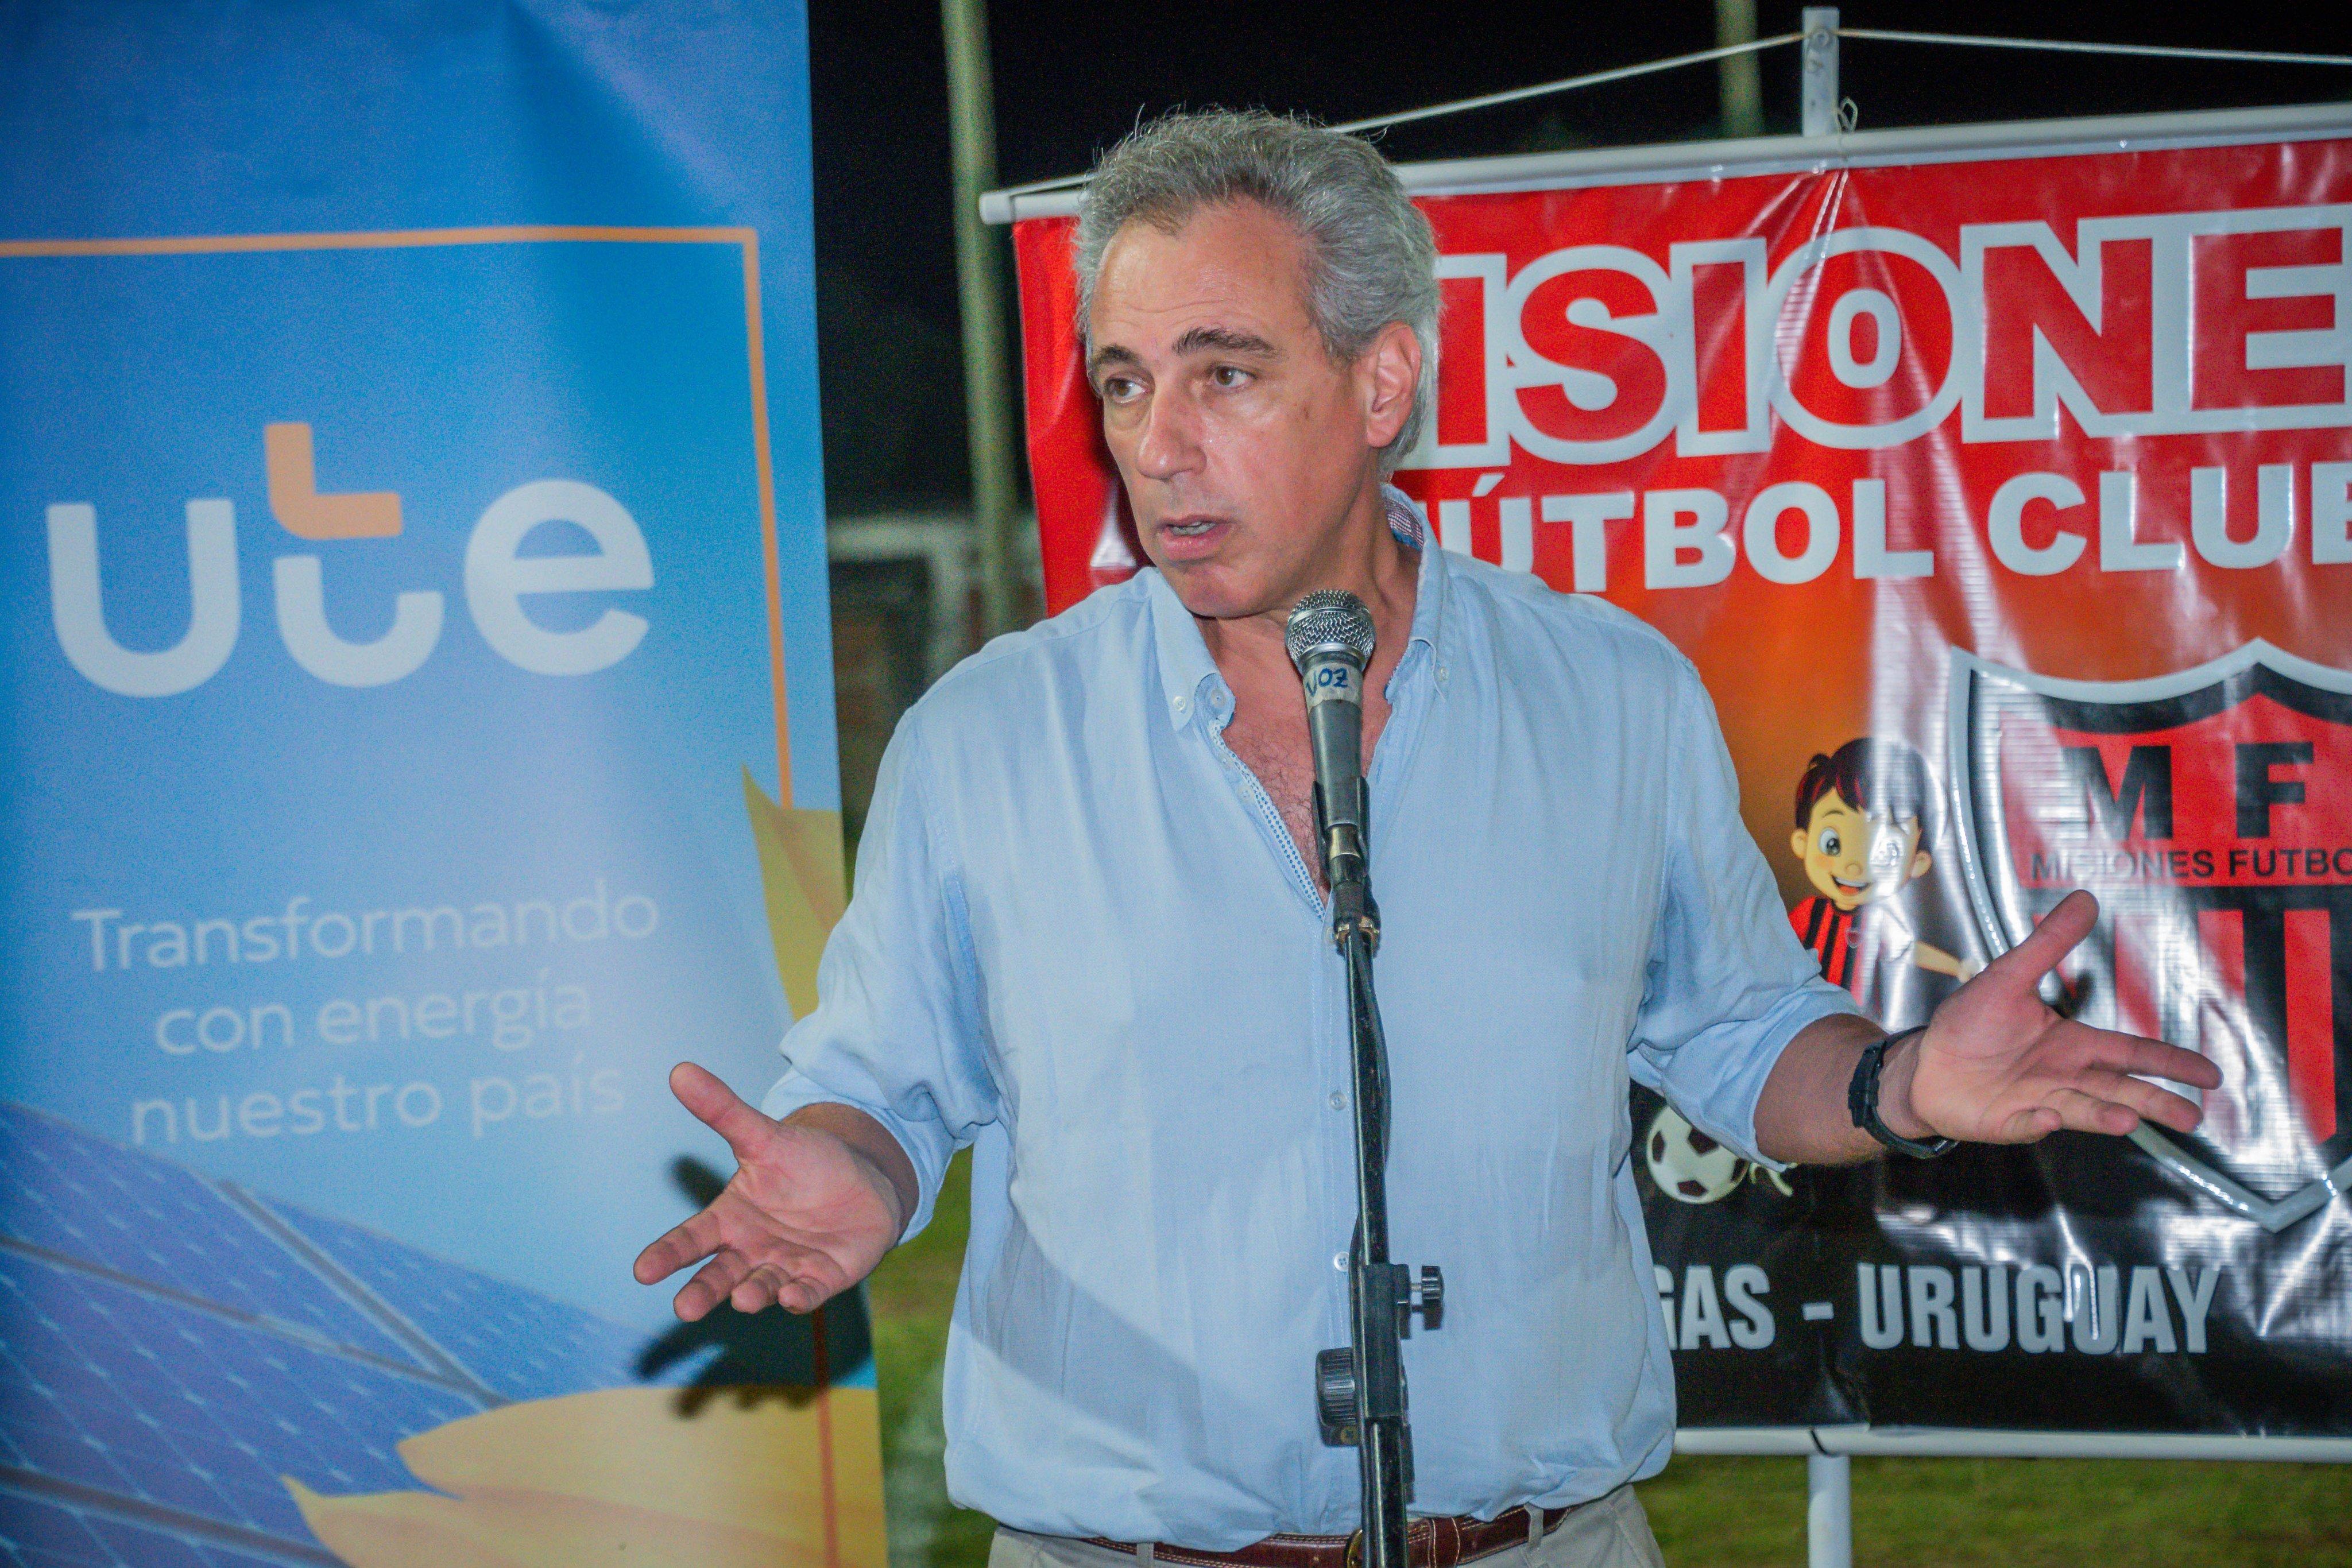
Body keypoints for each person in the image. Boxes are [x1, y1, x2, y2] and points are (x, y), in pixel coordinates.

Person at [634, 111, 2219, 1568]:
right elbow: (885, 1077)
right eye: (1123, 379)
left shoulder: (1611, 697)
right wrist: (849, 1166)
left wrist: (1901, 1083)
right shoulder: (988, 741)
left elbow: (1736, 1028)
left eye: (1225, 372)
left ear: (1383, 383)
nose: (1159, 442)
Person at [1788, 736, 1982, 1024]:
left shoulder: (1882, 922)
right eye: (1833, 843)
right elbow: (1776, 951)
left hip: (1863, 1027)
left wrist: (1957, 967)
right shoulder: (1808, 915)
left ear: (1918, 862)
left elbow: (1910, 950)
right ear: (1803, 842)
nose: (1853, 867)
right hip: (1807, 1022)